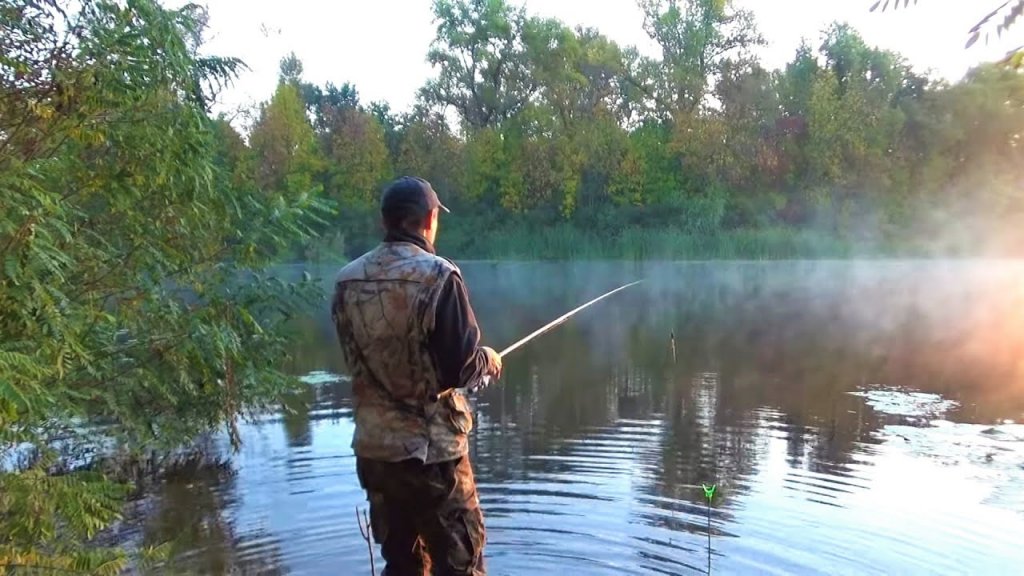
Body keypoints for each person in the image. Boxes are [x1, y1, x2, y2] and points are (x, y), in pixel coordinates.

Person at [330, 175, 502, 576]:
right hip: (435, 457)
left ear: (385, 221)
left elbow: (360, 359)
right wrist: (487, 360)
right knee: (461, 565)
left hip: (376, 454)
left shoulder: (346, 280)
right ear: (428, 220)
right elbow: (460, 367)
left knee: (403, 565)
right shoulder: (439, 276)